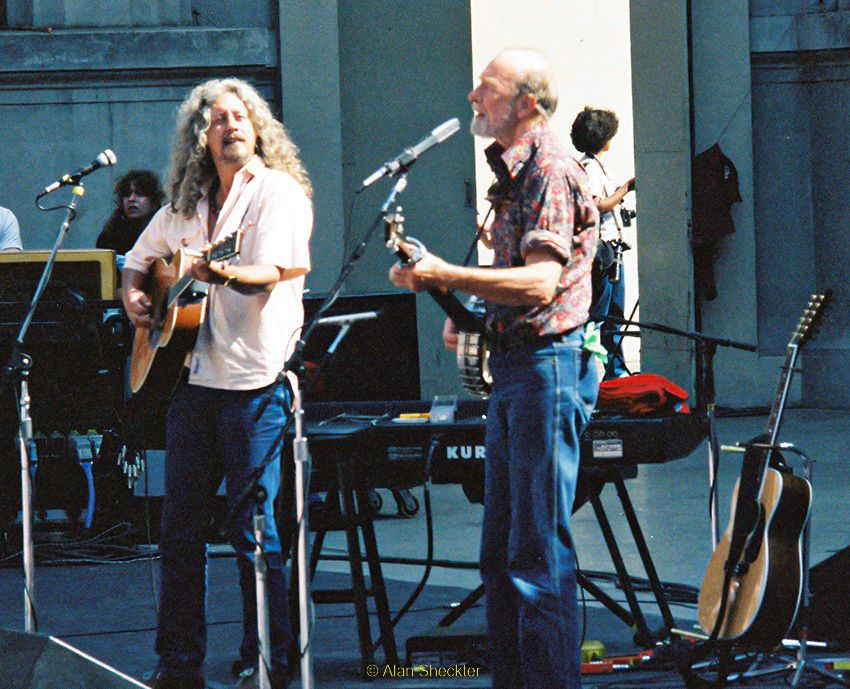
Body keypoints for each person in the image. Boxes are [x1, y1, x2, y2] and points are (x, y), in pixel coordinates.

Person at [389, 49, 599, 689]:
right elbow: (519, 281)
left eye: (488, 87)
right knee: (502, 554)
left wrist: (446, 275)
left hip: (547, 369)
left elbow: (540, 284)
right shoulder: (514, 174)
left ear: (526, 104)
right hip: (518, 371)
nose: (474, 97)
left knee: (535, 552)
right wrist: (467, 306)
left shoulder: (551, 170)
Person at [122, 78, 313, 689]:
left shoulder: (276, 193)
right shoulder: (184, 205)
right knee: (179, 531)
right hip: (192, 382)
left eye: (240, 116)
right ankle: (179, 665)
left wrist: (219, 270)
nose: (230, 125)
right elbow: (137, 259)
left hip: (255, 386)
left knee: (254, 531)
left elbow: (269, 274)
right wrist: (135, 295)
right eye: (217, 120)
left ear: (256, 128)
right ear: (201, 138)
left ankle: (269, 663)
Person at [570, 107, 634, 378]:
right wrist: (625, 189)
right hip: (603, 251)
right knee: (600, 315)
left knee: (614, 316)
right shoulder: (590, 168)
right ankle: (594, 371)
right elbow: (597, 206)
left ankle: (614, 370)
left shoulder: (595, 165)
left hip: (612, 249)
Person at [97, 169, 164, 259]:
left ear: (154, 200)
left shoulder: (165, 233)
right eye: (126, 194)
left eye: (140, 194)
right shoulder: (109, 236)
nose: (131, 199)